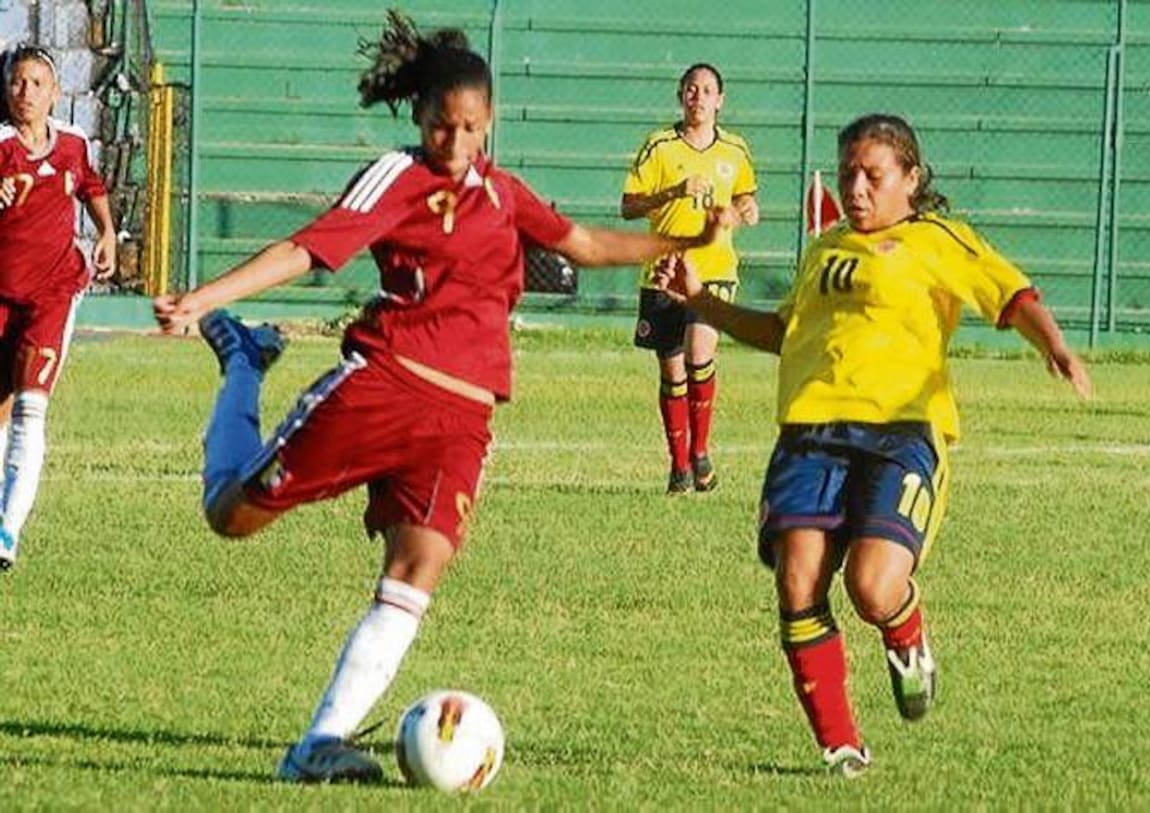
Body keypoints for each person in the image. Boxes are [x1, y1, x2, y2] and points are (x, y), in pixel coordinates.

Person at [152, 11, 724, 784]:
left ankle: (319, 741)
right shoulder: (401, 176)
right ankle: (245, 362)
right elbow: (310, 247)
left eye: (470, 129)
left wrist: (682, 244)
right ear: (420, 118)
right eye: (441, 127)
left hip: (464, 419)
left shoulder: (505, 193)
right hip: (383, 388)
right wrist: (201, 298)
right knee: (230, 514)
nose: (455, 145)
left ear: (488, 124)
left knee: (416, 568)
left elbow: (585, 244)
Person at [654, 113, 1092, 777]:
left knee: (872, 584)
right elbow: (782, 332)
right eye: (849, 173)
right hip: (809, 434)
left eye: (873, 175)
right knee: (798, 580)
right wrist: (699, 302)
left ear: (910, 180)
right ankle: (842, 746)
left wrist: (1052, 342)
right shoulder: (826, 246)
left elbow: (1009, 292)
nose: (856, 188)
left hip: (900, 433)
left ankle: (906, 633)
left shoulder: (935, 239)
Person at [0, 45, 116, 571]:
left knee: (31, 407)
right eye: (17, 83)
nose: (26, 93)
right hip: (2, 296)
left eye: (36, 84)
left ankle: (7, 532)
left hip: (53, 293)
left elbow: (90, 186)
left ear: (55, 92)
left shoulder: (73, 144)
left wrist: (107, 232)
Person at [621, 63, 758, 494]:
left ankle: (700, 451)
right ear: (680, 96)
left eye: (707, 90)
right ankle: (679, 468)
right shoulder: (659, 146)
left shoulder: (734, 150)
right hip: (664, 273)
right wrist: (673, 191)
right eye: (691, 90)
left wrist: (746, 210)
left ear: (721, 100)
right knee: (672, 367)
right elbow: (628, 205)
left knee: (701, 350)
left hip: (714, 271)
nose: (698, 98)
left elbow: (746, 197)